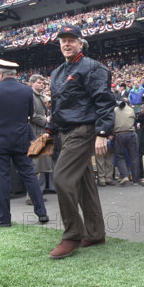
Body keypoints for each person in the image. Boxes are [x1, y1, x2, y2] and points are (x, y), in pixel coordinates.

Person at [46, 25, 116, 259]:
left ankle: (72, 235)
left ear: (80, 43)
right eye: (63, 41)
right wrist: (49, 131)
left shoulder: (92, 67)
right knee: (85, 183)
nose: (66, 44)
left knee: (62, 178)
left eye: (71, 40)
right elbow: (57, 106)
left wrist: (103, 132)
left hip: (83, 130)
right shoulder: (57, 72)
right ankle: (95, 233)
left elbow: (104, 102)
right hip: (65, 131)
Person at [0, 60, 48, 227]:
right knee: (29, 175)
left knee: (2, 177)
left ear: (0, 74)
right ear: (15, 74)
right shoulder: (26, 90)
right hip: (20, 138)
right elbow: (29, 113)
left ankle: (4, 218)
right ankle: (42, 213)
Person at [27, 74, 53, 202]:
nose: (42, 85)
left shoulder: (41, 97)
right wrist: (45, 120)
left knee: (40, 166)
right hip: (35, 132)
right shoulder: (30, 96)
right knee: (35, 166)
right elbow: (31, 115)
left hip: (41, 132)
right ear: (32, 83)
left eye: (43, 83)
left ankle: (35, 195)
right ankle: (32, 196)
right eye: (39, 83)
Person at [113, 98, 139, 186]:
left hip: (119, 134)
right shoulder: (131, 110)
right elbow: (134, 120)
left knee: (120, 156)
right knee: (134, 156)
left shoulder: (115, 110)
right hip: (130, 134)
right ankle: (136, 180)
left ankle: (125, 175)